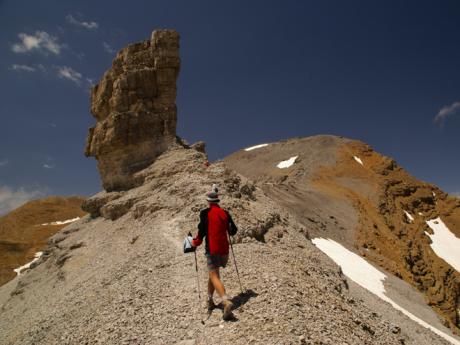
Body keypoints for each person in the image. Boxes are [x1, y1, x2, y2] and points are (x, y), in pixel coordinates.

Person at [191, 186, 238, 320]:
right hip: (225, 251)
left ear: (208, 201)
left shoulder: (205, 213)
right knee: (213, 275)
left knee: (214, 275)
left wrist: (195, 243)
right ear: (217, 200)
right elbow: (233, 230)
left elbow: (201, 232)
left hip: (212, 250)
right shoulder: (225, 213)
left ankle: (225, 301)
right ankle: (210, 300)